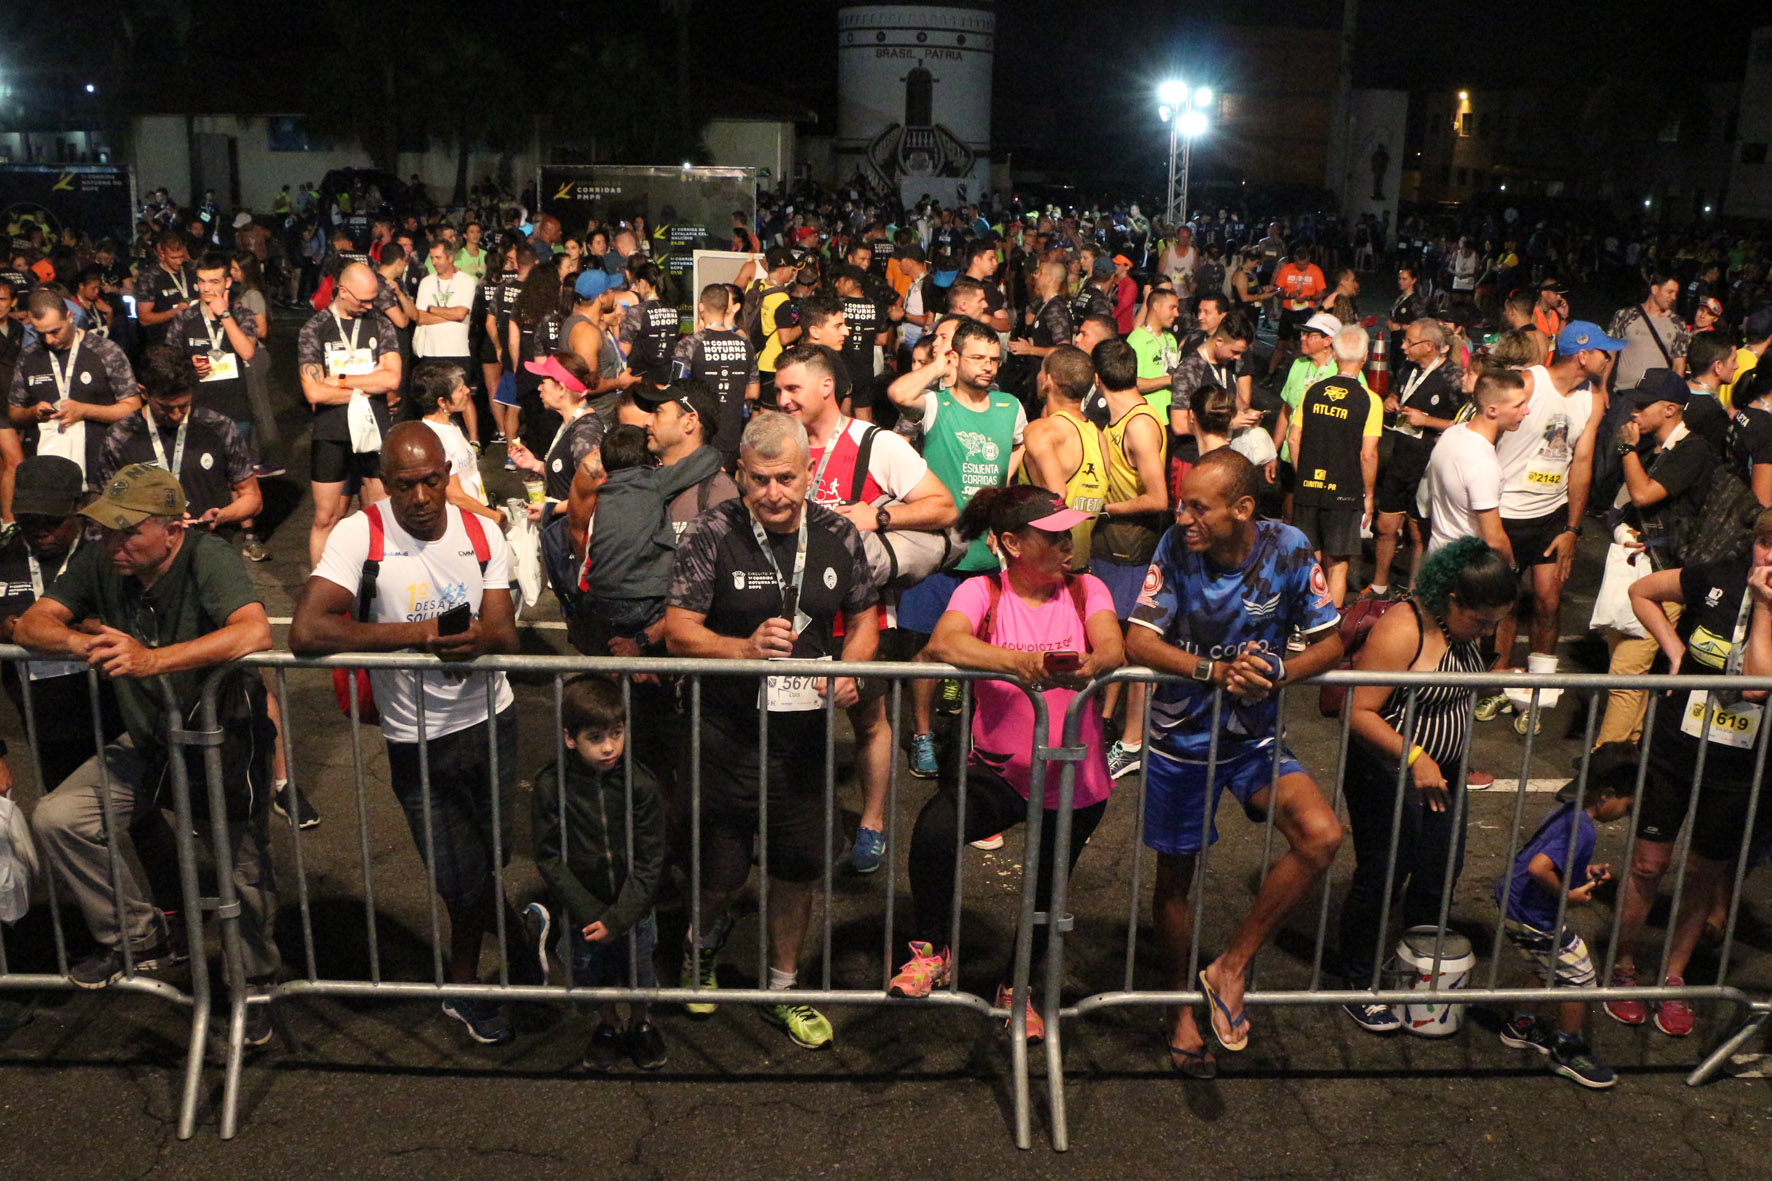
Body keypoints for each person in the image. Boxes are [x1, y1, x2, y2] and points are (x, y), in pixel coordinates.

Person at [291, 422, 538, 1045]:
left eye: (432, 481)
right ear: (385, 483)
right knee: (457, 876)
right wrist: (421, 636)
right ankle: (474, 977)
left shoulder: (481, 532)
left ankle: (502, 951)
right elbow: (307, 630)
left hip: (492, 722)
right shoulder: (360, 534)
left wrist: (475, 640)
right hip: (415, 738)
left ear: (447, 475)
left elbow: (504, 633)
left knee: (489, 859)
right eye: (406, 486)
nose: (422, 498)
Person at [18, 465, 280, 1043]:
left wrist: (151, 660)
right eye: (107, 530)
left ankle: (255, 983)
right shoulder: (104, 561)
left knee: (242, 873)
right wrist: (83, 642)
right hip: (150, 740)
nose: (114, 543)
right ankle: (139, 936)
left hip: (222, 742)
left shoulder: (207, 556)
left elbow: (255, 633)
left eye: (129, 531)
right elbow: (32, 624)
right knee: (60, 817)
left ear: (172, 529)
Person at [662, 411, 879, 1051]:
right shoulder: (713, 532)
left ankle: (783, 986)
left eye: (786, 478)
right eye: (759, 480)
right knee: (719, 873)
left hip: (804, 744)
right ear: (740, 475)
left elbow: (864, 618)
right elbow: (678, 630)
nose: (773, 493)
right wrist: (742, 649)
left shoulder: (838, 534)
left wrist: (852, 669)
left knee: (796, 871)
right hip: (723, 735)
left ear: (810, 473)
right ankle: (700, 951)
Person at [1125, 449, 1344, 1073]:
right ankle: (1179, 1009)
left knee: (1322, 836)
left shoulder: (1289, 547)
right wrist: (1213, 672)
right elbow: (1139, 639)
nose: (1182, 517)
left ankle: (1230, 966)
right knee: (1174, 881)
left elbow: (1331, 644)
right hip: (1181, 740)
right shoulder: (1176, 545)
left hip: (1254, 738)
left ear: (1243, 508)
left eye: (1198, 507)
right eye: (1182, 504)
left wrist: (1278, 674)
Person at [886, 485, 1124, 1041]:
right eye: (1053, 537)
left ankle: (1021, 987)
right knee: (934, 833)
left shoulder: (1087, 589)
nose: (1067, 546)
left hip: (1075, 777)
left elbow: (1113, 647)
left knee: (1047, 891)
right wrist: (1020, 663)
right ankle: (934, 951)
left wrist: (1091, 665)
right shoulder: (982, 590)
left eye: (1068, 534)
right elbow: (945, 644)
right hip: (998, 772)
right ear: (1012, 544)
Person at [775, 343, 956, 871]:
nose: (783, 400)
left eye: (792, 389)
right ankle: (801, 819)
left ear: (826, 387)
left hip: (861, 617)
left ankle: (872, 822)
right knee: (791, 723)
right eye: (779, 390)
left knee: (869, 719)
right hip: (792, 618)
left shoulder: (877, 443)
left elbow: (943, 506)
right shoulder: (780, 443)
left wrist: (877, 518)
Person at [1603, 510, 1772, 1040]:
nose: (1770, 557)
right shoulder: (1715, 576)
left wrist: (1764, 609)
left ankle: (1672, 978)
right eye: (1766, 543)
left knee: (1703, 873)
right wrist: (1675, 651)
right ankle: (1624, 966)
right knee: (1648, 864)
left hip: (1740, 760)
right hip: (1675, 745)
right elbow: (1643, 592)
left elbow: (1757, 684)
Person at [1338, 538, 1515, 1030]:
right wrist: (1415, 756)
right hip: (1387, 769)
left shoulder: (1465, 630)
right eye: (1482, 621)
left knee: (1440, 868)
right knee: (1384, 873)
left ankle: (1412, 966)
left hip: (1443, 772)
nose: (1489, 631)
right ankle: (1354, 981)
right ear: (1452, 600)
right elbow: (1360, 711)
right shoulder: (1404, 628)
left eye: (1497, 621)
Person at [890, 320, 1026, 775]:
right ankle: (922, 734)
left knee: (984, 649)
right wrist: (936, 366)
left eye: (994, 360)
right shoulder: (935, 404)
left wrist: (1002, 489)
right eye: (978, 358)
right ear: (957, 358)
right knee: (927, 648)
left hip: (986, 554)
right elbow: (899, 394)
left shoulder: (1010, 406)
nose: (988, 367)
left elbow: (1018, 446)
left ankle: (978, 739)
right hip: (937, 550)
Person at [532, 674, 668, 1071]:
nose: (609, 746)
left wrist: (621, 916)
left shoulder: (640, 783)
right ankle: (608, 1023)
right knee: (593, 972)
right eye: (595, 737)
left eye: (616, 733)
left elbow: (651, 857)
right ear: (569, 738)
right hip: (584, 913)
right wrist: (593, 914)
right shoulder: (551, 787)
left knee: (639, 970)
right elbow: (549, 858)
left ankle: (642, 1023)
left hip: (633, 909)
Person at [1477, 321, 1611, 723]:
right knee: (1502, 604)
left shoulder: (1592, 399)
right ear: (1583, 355)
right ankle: (1496, 683)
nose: (1610, 358)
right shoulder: (1529, 383)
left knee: (1549, 603)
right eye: (1604, 351)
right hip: (1506, 511)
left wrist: (1572, 528)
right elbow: (1485, 434)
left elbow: (1581, 463)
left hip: (1551, 515)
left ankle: (1538, 693)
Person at [1494, 771, 1633, 1089]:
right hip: (1531, 913)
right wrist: (1568, 895)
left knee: (1547, 967)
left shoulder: (1569, 810)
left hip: (1518, 902)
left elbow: (1551, 857)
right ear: (1606, 794)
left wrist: (1582, 871)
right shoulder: (1582, 829)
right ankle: (1568, 1050)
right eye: (1627, 807)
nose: (1625, 815)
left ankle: (1521, 1026)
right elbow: (1539, 867)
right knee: (1579, 977)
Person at [1089, 338, 1169, 780]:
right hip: (1110, 545)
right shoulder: (1115, 418)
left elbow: (1158, 498)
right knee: (1113, 640)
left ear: (1097, 379)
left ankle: (1135, 743)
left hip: (1133, 549)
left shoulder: (1139, 424)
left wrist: (1104, 509)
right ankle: (1108, 726)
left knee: (1137, 648)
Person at [297, 262, 400, 566]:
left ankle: (380, 579)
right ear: (342, 292)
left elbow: (392, 379)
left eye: (373, 299)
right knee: (326, 517)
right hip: (332, 431)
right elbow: (314, 393)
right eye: (363, 300)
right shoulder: (314, 328)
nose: (369, 306)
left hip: (374, 428)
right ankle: (322, 583)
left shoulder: (380, 323)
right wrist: (369, 384)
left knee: (380, 512)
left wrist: (341, 380)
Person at [1364, 318, 1463, 599]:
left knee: (1419, 534)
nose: (1403, 346)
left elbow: (1465, 425)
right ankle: (1379, 585)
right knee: (1385, 526)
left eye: (1409, 342)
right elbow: (1399, 391)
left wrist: (1427, 420)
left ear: (1429, 346)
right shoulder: (1408, 367)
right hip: (1400, 459)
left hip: (1427, 466)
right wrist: (1391, 400)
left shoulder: (1453, 377)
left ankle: (1414, 593)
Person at [1287, 324, 1382, 607]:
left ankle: (1301, 620)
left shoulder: (1313, 391)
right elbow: (1368, 454)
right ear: (1364, 357)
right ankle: (1329, 625)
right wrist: (1369, 495)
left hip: (1308, 488)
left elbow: (1293, 438)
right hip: (1345, 492)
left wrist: (1303, 474)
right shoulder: (1370, 400)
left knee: (1308, 560)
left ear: (1336, 355)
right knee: (1337, 565)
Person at [7, 289, 142, 481]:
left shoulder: (105, 351)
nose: (49, 340)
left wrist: (84, 410)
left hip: (101, 471)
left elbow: (133, 407)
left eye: (55, 331)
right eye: (41, 333)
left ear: (70, 317)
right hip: (49, 472)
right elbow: (14, 413)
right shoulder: (29, 356)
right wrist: (32, 413)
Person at [1418, 366, 1530, 559]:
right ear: (1492, 410)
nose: (1527, 411)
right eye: (1518, 405)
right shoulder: (1482, 463)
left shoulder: (1451, 434)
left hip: (1438, 555)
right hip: (1466, 565)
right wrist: (1511, 567)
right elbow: (1494, 539)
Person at [1020, 345, 1108, 572]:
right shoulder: (1099, 437)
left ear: (1048, 380)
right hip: (1080, 567)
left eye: (1041, 371)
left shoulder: (1042, 430)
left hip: (1042, 570)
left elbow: (1057, 494)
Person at [672, 284, 759, 472]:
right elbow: (754, 391)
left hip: (698, 438)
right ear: (726, 308)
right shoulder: (745, 345)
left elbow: (676, 390)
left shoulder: (690, 345)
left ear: (701, 307)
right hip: (732, 435)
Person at [508, 352, 602, 520]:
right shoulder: (571, 422)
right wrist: (535, 465)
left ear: (561, 388)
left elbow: (593, 495)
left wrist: (551, 509)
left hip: (574, 529)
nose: (539, 388)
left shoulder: (586, 434)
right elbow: (568, 475)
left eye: (543, 382)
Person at [407, 360, 501, 524]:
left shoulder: (452, 426)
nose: (467, 391)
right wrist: (494, 517)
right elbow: (455, 497)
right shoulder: (434, 439)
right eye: (460, 389)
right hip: (459, 522)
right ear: (442, 402)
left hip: (474, 514)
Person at [413, 240, 480, 448]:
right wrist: (448, 315)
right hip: (431, 350)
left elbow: (461, 313)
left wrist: (433, 309)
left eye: (438, 257)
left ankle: (474, 440)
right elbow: (420, 316)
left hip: (457, 349)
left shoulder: (466, 281)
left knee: (463, 395)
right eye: (432, 257)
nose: (434, 262)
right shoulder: (426, 282)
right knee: (434, 399)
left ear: (450, 258)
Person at [1606, 274, 1689, 395]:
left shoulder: (1677, 323)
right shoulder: (1625, 316)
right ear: (1654, 289)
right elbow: (1609, 354)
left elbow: (1679, 365)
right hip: (1625, 392)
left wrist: (1673, 395)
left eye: (1676, 293)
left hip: (1658, 396)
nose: (1674, 297)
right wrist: (1602, 387)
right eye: (1670, 292)